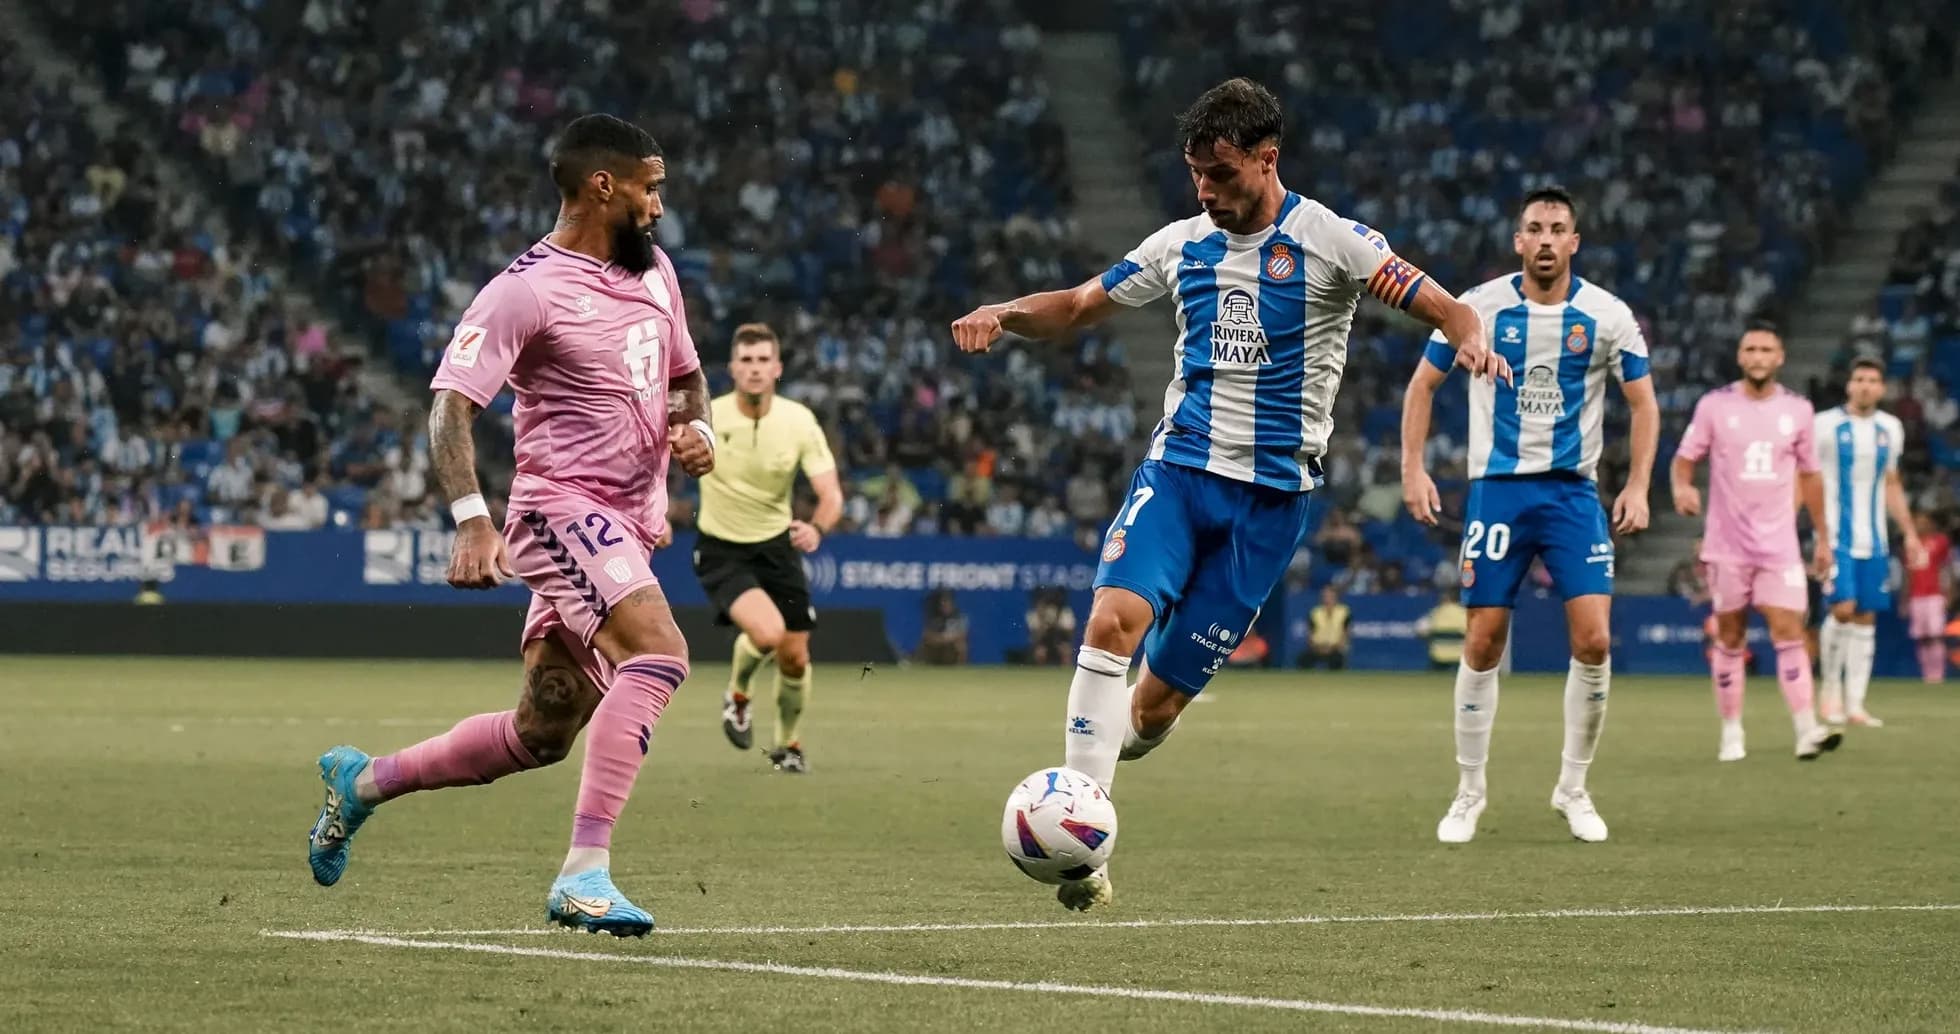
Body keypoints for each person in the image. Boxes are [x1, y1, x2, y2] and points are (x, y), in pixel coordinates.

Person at [949, 77, 1508, 911]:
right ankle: (1084, 857)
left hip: (1272, 506)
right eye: (1195, 174)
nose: (1205, 191)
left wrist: (1468, 338)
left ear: (1265, 158)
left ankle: (1110, 769)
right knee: (1111, 621)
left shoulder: (1334, 241)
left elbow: (1443, 306)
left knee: (1154, 711)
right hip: (1180, 475)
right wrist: (1005, 312)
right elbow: (1073, 306)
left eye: (1220, 173)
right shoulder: (1182, 244)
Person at [304, 114, 714, 937]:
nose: (660, 206)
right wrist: (471, 520)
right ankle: (584, 874)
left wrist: (695, 428)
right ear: (604, 186)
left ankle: (365, 782)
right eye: (650, 186)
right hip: (561, 507)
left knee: (544, 726)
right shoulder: (523, 290)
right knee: (661, 654)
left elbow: (685, 380)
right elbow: (450, 407)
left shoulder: (655, 270)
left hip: (629, 529)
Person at [1402, 186, 1659, 844]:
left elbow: (1644, 404)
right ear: (1518, 240)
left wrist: (1636, 485)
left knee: (1595, 640)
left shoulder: (1607, 316)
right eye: (1535, 229)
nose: (1546, 240)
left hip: (1573, 493)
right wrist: (1413, 466)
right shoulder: (1477, 308)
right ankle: (1468, 793)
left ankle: (1573, 788)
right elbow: (1422, 385)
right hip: (1498, 492)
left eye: (1558, 230)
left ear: (1575, 242)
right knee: (1483, 639)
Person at [1671, 323, 1839, 763]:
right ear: (1741, 357)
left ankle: (1806, 730)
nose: (1759, 355)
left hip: (1779, 546)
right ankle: (1731, 731)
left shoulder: (1799, 410)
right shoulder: (1715, 406)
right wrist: (1683, 487)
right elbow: (1685, 459)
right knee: (1730, 637)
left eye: (1767, 348)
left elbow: (1811, 476)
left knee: (1791, 632)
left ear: (1779, 357)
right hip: (1726, 546)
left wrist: (1822, 537)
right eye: (1751, 349)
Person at [694, 322, 843, 775]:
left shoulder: (798, 421)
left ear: (777, 368)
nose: (755, 370)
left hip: (777, 548)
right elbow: (657, 464)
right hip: (722, 547)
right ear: (733, 369)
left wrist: (817, 528)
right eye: (747, 361)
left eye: (763, 361)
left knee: (795, 657)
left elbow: (831, 494)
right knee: (767, 633)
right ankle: (737, 695)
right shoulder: (710, 417)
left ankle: (788, 747)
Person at [1815, 359, 1927, 725]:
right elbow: (1807, 479)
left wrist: (1909, 533)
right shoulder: (1824, 426)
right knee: (1842, 608)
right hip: (1835, 537)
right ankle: (1829, 691)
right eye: (1858, 378)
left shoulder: (1890, 429)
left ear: (1882, 389)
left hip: (1874, 538)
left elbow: (1891, 483)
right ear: (1848, 385)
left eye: (1872, 380)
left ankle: (1855, 704)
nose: (1865, 386)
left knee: (1865, 618)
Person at [1905, 513, 1951, 682]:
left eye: (1923, 522)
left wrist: (1949, 592)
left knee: (1935, 634)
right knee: (1921, 636)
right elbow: (1907, 573)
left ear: (1931, 524)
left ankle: (1937, 674)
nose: (1920, 526)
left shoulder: (1940, 541)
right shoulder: (1910, 543)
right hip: (1916, 596)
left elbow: (1946, 568)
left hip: (1934, 594)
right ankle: (1926, 674)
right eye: (1917, 522)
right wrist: (1905, 598)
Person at [1302, 585, 1351, 669]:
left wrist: (1334, 647)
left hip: (1336, 648)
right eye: (1325, 596)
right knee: (1303, 660)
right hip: (1318, 648)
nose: (1327, 598)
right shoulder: (1315, 612)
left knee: (1336, 661)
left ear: (1336, 596)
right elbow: (1310, 633)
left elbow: (1346, 633)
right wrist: (1317, 647)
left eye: (1330, 596)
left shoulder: (1344, 611)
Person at [917, 589, 970, 665]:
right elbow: (927, 635)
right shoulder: (935, 619)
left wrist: (946, 639)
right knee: (925, 644)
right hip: (936, 646)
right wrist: (941, 639)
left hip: (950, 647)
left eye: (947, 603)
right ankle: (924, 664)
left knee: (961, 645)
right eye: (943, 604)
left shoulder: (959, 617)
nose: (945, 606)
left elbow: (962, 634)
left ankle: (959, 669)